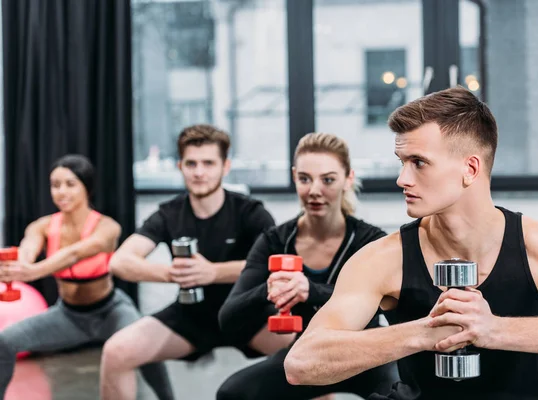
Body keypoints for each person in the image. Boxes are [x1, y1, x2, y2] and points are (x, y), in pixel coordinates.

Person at [284, 86, 538, 399]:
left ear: (470, 168)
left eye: (419, 162)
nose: (402, 179)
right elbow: (302, 363)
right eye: (402, 162)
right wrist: (423, 333)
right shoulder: (383, 258)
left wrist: (494, 330)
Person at [100, 124, 281, 400]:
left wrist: (212, 272)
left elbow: (275, 264)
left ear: (225, 166)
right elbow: (120, 262)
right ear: (180, 166)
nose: (199, 172)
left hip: (250, 316)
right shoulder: (168, 214)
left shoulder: (250, 212)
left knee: (311, 357)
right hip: (192, 317)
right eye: (191, 163)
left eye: (208, 163)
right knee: (116, 352)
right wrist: (171, 273)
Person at [216, 132, 400, 400]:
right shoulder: (274, 241)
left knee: (403, 392)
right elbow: (228, 317)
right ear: (294, 177)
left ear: (348, 178)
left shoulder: (370, 240)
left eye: (327, 179)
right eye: (305, 179)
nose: (314, 190)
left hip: (366, 356)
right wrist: (267, 290)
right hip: (306, 355)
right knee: (232, 393)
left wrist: (310, 290)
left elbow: (387, 301)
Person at [0, 154, 174, 400]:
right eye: (55, 184)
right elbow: (28, 249)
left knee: (145, 349)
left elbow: (76, 253)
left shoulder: (107, 227)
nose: (62, 192)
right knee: (5, 341)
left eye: (70, 184)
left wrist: (34, 271)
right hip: (68, 315)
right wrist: (20, 265)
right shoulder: (42, 226)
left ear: (87, 188)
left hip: (111, 311)